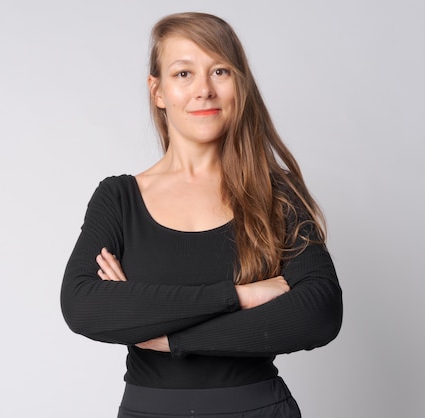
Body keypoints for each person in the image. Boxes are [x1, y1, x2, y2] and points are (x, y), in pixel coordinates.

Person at [61, 12, 342, 418]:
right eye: (183, 74)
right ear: (157, 91)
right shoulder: (118, 198)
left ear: (238, 85)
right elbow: (83, 304)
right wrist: (239, 297)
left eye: (220, 71)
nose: (204, 90)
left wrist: (165, 337)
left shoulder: (276, 192)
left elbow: (319, 312)